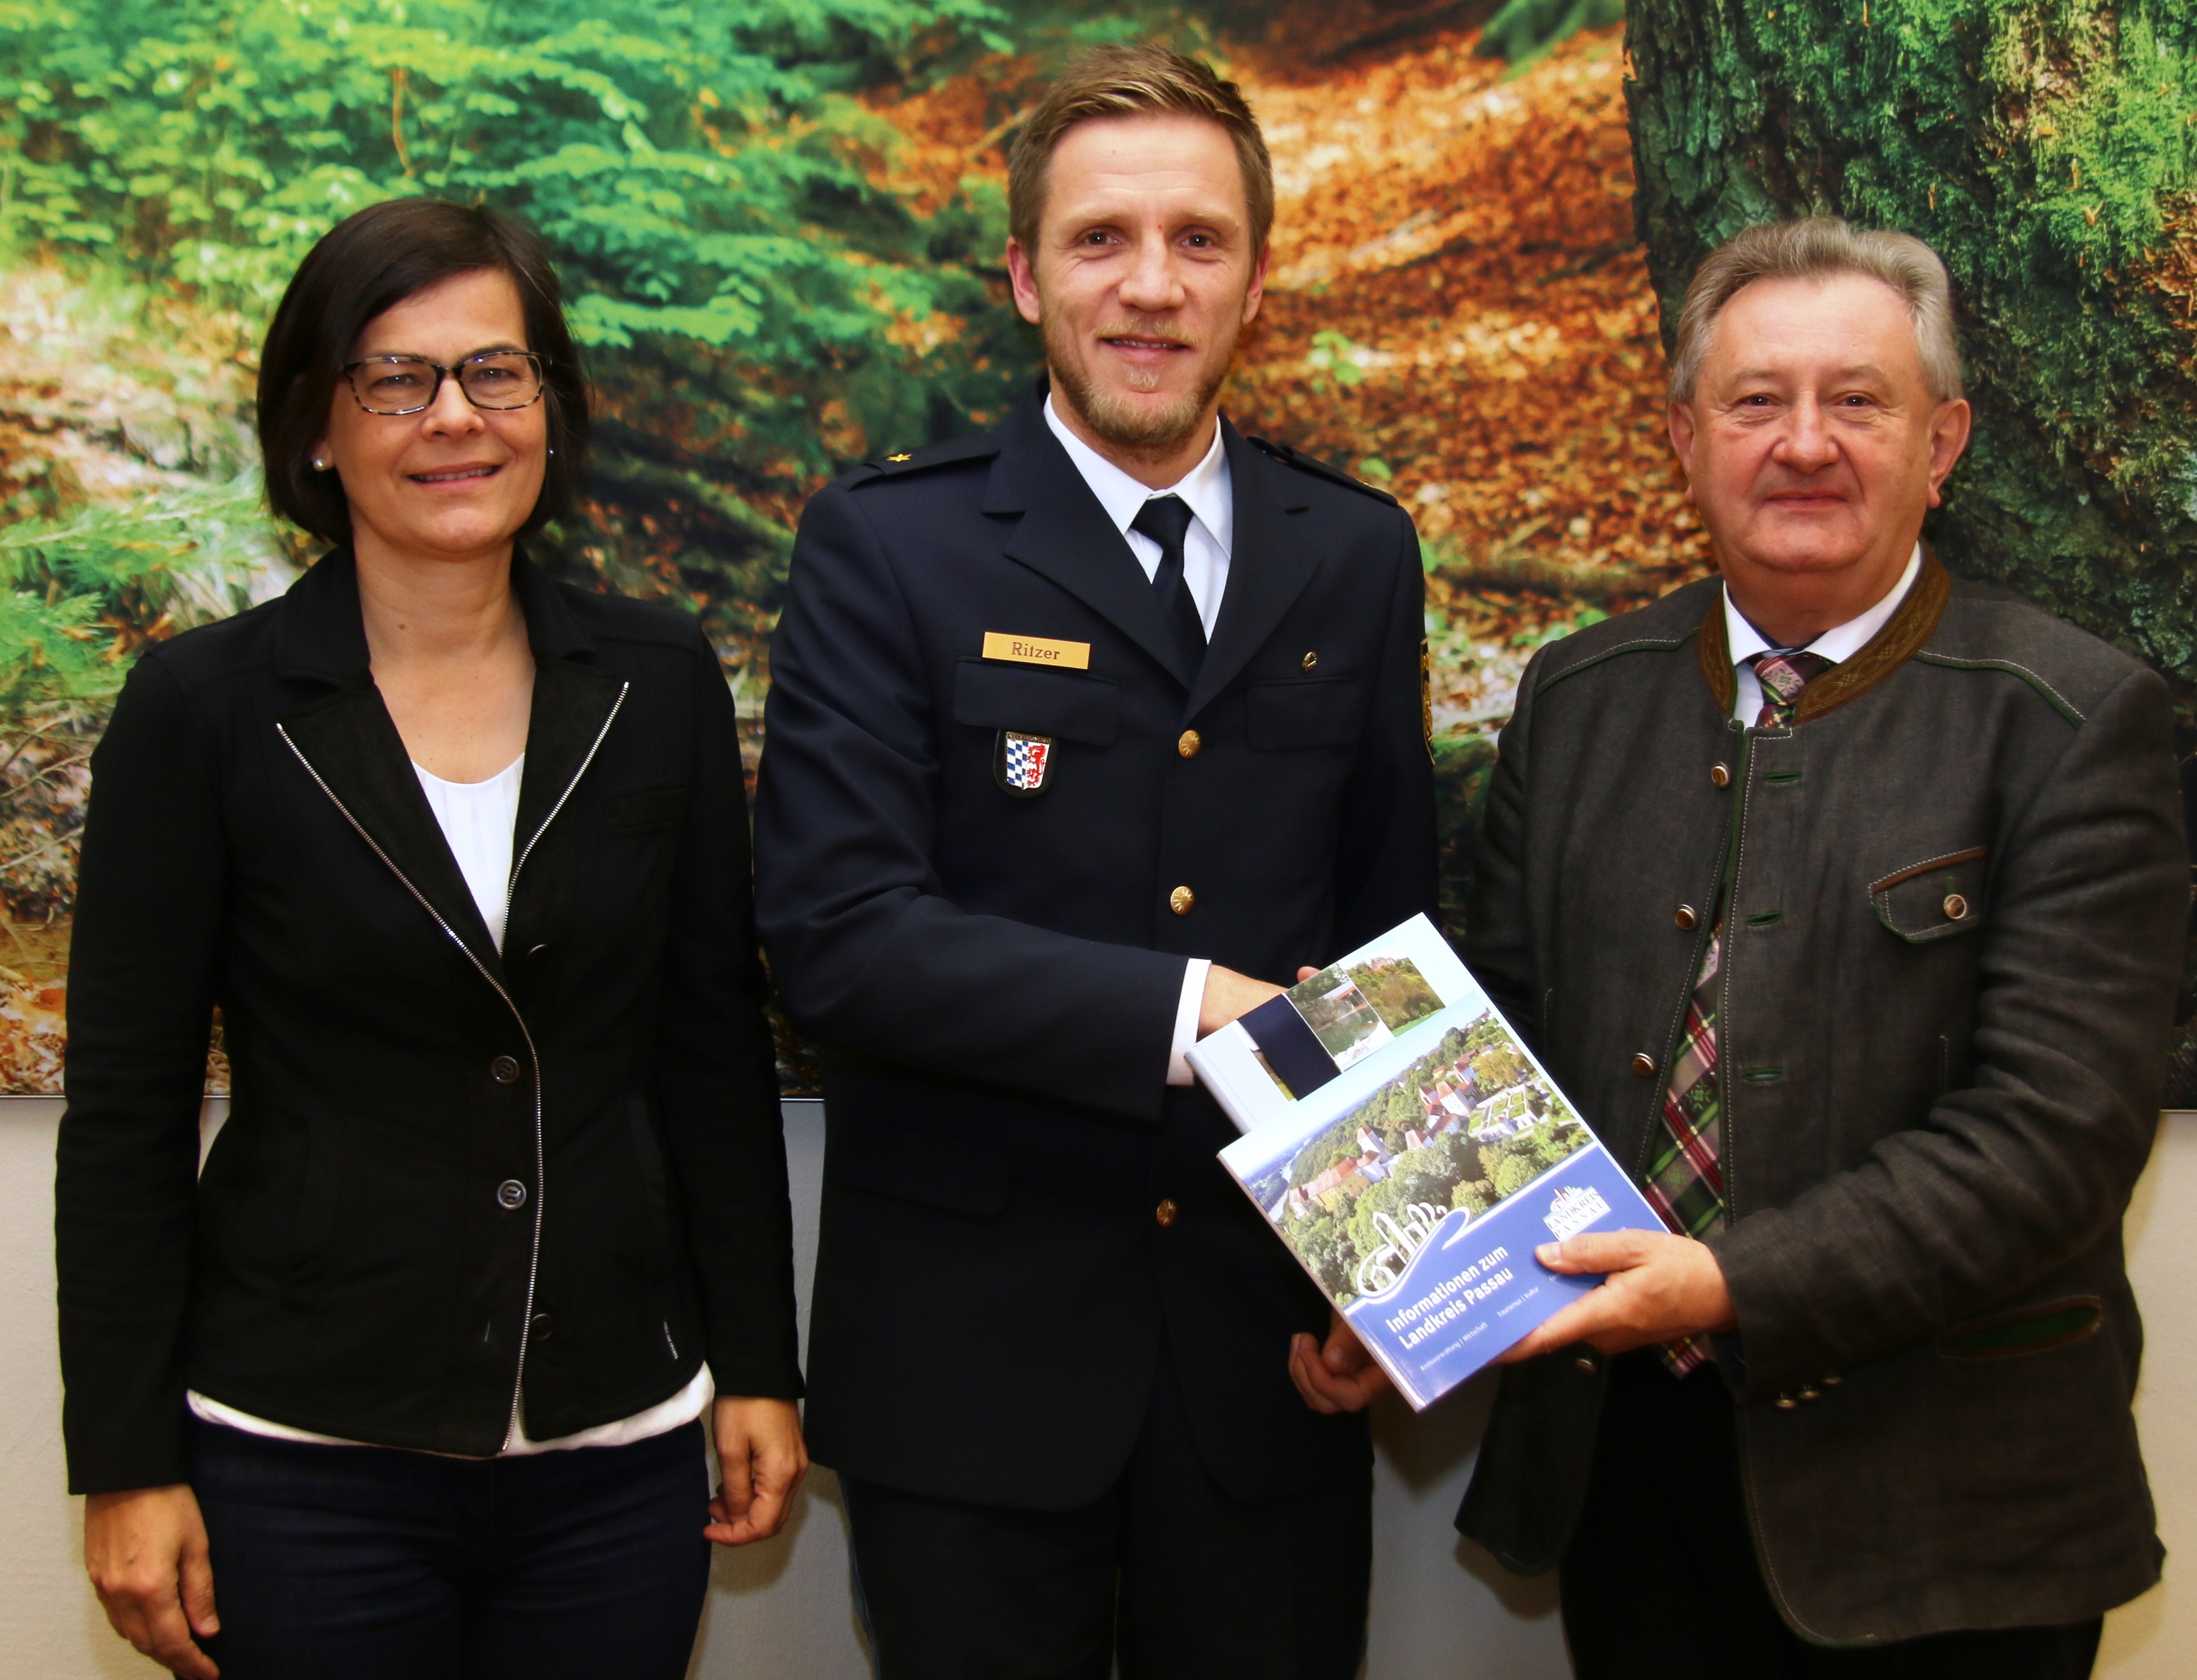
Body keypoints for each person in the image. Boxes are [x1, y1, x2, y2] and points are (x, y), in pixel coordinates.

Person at [1291, 218, 2189, 1677]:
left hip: (1947, 1515)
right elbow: (1499, 1034)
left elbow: (2051, 1137)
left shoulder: (2069, 720)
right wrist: (1399, 1282)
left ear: (1943, 439)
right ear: (1683, 438)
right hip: (1630, 1477)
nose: (1805, 443)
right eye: (1756, 401)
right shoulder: (1580, 696)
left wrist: (1722, 1288)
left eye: (1859, 399)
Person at [752, 44, 1435, 1680]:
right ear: (1021, 276)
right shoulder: (888, 546)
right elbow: (840, 936)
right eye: (1099, 239)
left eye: (1197, 240)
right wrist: (1191, 1004)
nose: (1149, 287)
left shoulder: (1351, 552)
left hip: (1264, 1363)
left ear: (1255, 282)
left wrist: (1397, 1264)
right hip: (969, 1378)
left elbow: (1385, 936)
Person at [57, 198, 807, 1680]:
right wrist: (125, 1462)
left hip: (617, 1451)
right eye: (395, 379)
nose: (453, 419)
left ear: (551, 409)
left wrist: (760, 1371)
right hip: (302, 1455)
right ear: (317, 430)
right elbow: (127, 1114)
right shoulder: (207, 710)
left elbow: (708, 1058)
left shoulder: (653, 681)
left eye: (496, 373)